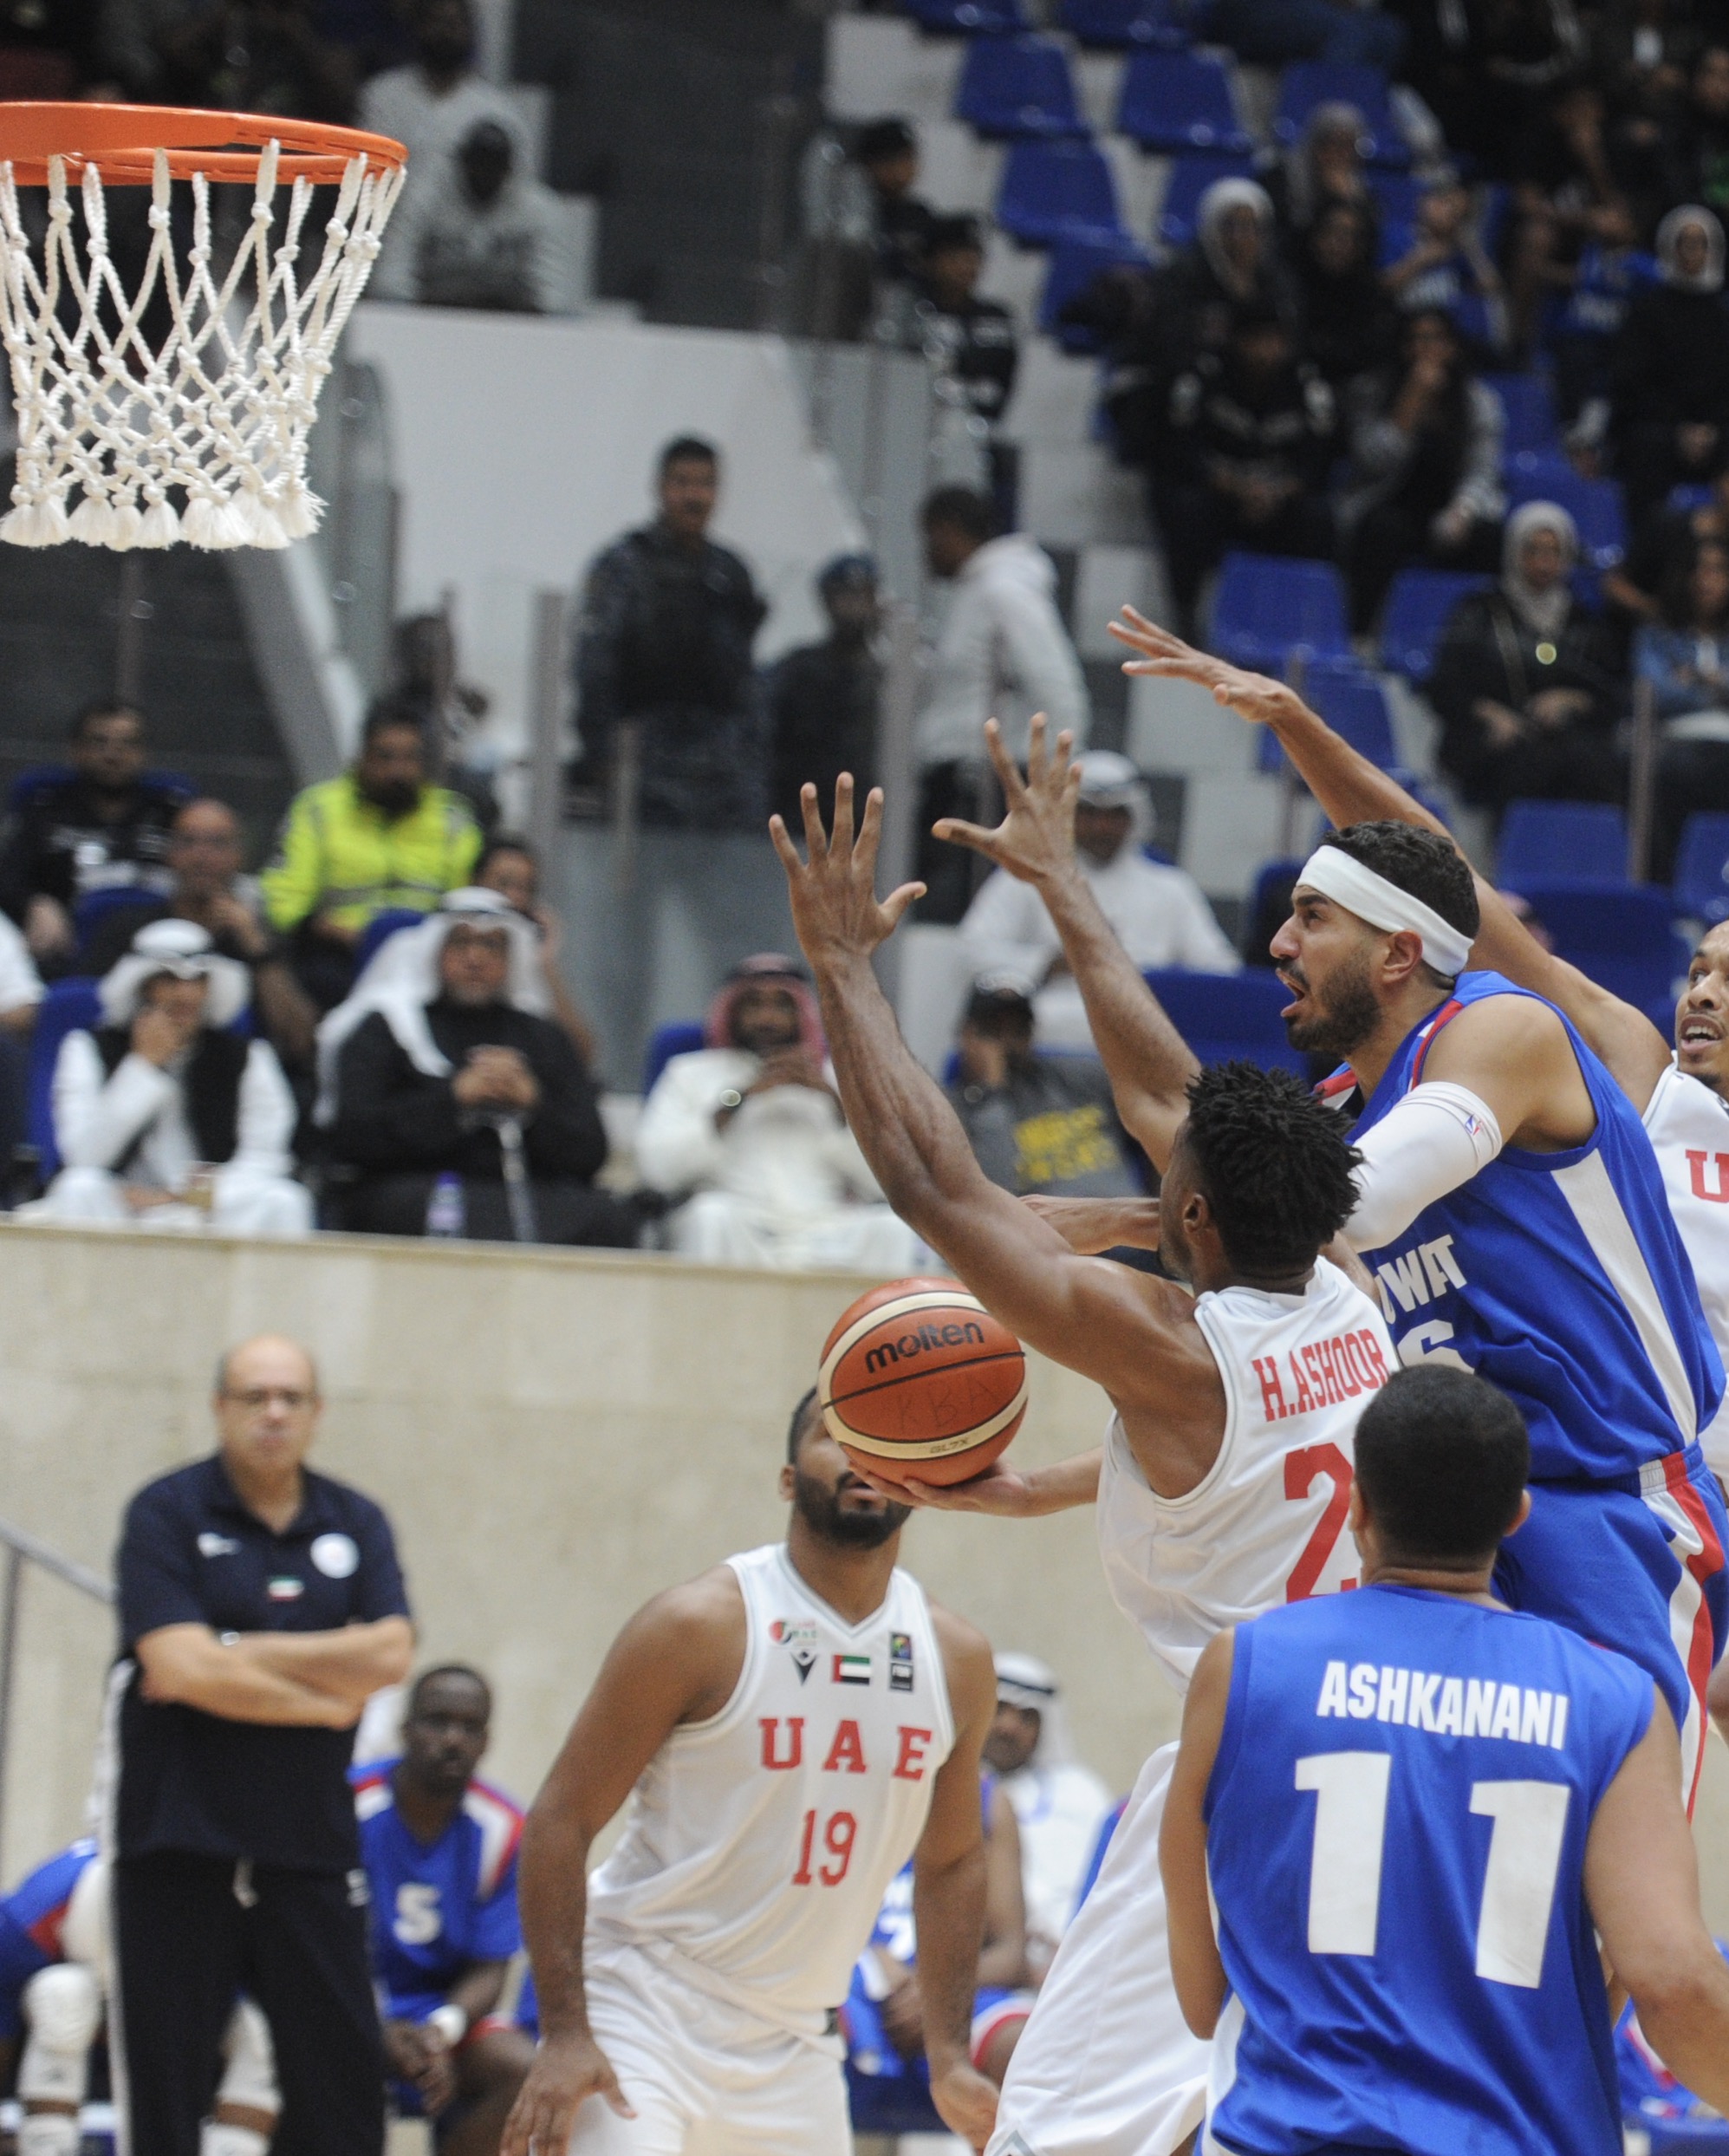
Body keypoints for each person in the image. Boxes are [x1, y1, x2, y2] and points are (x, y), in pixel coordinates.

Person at [768, 768, 1396, 2156]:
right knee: (1256, 2102)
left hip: (1258, 1760)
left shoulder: (1176, 1348)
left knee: (1054, 2126)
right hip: (1386, 1728)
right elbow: (1167, 1088)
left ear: (1191, 1210)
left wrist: (841, 969)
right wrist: (1063, 889)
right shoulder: (1350, 1287)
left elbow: (938, 1188)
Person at [1106, 613, 1728, 1808]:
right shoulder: (1637, 1082)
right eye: (1697, 967)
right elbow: (1447, 892)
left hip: (1646, 1495)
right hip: (1553, 1481)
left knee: (1619, 1876)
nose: (1701, 991)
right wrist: (1297, 724)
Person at [1160, 1362, 1729, 2156]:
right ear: (1517, 1516)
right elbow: (1669, 1978)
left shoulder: (1245, 1666)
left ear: (1356, 1506)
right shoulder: (1614, 1701)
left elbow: (1199, 1998)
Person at [497, 1388, 1003, 2156]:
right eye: (835, 1435)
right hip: (643, 2002)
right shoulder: (698, 1624)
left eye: (885, 1437)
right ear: (788, 1477)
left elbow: (954, 1858)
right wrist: (566, 2031)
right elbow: (560, 1819)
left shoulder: (956, 1657)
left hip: (796, 2037)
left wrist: (950, 2053)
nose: (862, 1453)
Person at [110, 1333, 413, 2156]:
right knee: (165, 2087)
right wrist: (321, 1697)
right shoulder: (165, 1512)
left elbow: (389, 1653)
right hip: (178, 1841)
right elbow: (173, 1664)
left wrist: (233, 1650)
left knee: (344, 2086)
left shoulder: (355, 1519)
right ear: (220, 1407)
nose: (273, 1413)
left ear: (316, 1413)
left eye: (290, 1397)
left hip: (308, 1845)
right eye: (254, 1396)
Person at [320, 889, 633, 1246]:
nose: (475, 958)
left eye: (492, 946)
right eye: (461, 943)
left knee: (610, 1219)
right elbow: (353, 1137)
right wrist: (455, 1097)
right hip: (416, 1188)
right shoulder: (386, 1027)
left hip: (526, 1194)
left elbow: (590, 1152)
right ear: (435, 950)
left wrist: (532, 1102)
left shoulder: (543, 1036)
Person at [634, 952, 920, 1273]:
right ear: (732, 1012)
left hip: (825, 1226)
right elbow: (656, 1172)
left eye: (781, 1006)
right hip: (739, 1225)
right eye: (753, 1005)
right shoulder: (690, 1074)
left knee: (891, 1229)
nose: (766, 1018)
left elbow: (888, 1184)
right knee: (710, 1216)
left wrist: (836, 1104)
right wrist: (739, 1098)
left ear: (802, 1014)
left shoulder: (840, 1079)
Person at [24, 920, 311, 1237]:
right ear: (143, 987)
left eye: (198, 981)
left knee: (284, 1200)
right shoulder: (86, 1049)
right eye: (170, 980)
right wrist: (143, 1066)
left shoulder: (247, 1056)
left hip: (214, 1205)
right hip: (124, 1205)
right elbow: (84, 1157)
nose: (185, 994)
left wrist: (183, 1198)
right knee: (79, 1188)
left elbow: (265, 1155)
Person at [354, 1665, 535, 2156]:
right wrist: (376, 2028)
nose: (452, 1739)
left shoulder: (505, 1826)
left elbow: (491, 1967)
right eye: (437, 1721)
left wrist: (441, 2031)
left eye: (470, 1726)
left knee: (525, 2071)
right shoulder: (347, 1806)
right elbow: (312, 1946)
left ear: (486, 1740)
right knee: (308, 2047)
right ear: (406, 1729)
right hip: (347, 2005)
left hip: (445, 2019)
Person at [0, 1840, 279, 2156]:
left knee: (262, 2028)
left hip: (193, 2022)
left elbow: (274, 1995)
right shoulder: (51, 1896)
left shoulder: (246, 1895)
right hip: (76, 2029)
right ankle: (47, 2146)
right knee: (62, 1994)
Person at [959, 751, 1237, 1052]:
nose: (1101, 826)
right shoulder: (1026, 877)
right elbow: (973, 950)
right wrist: (1055, 963)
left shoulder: (1171, 888)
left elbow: (1220, 971)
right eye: (1089, 814)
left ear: (1134, 817)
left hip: (1144, 1041)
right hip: (1043, 1038)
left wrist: (1147, 979)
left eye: (1114, 815)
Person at [572, 436, 768, 833]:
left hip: (719, 767)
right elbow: (594, 669)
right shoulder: (624, 567)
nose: (694, 497)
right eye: (682, 483)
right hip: (642, 758)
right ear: (660, 488)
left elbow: (745, 680)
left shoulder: (730, 573)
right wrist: (602, 755)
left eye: (706, 484)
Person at [913, 487, 1089, 925]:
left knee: (952, 910)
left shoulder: (1004, 590)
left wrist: (1053, 786)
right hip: (958, 778)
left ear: (949, 531)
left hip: (981, 786)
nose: (926, 554)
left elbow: (1058, 686)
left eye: (931, 539)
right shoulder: (977, 592)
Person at [261, 704, 482, 1013]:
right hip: (338, 955)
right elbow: (284, 897)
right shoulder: (318, 809)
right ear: (362, 757)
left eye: (409, 758)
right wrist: (341, 933)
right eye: (385, 757)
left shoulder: (453, 817)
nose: (397, 772)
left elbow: (466, 899)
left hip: (431, 959)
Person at [77, 797, 319, 1078]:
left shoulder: (258, 937)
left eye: (217, 843)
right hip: (136, 1069)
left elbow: (300, 1039)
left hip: (235, 1080)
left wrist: (254, 943)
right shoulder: (127, 929)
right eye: (188, 842)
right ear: (170, 854)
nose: (201, 856)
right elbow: (92, 1018)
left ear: (238, 856)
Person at [844, 1771, 1032, 2120]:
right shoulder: (834, 1777)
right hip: (853, 1988)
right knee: (798, 2022)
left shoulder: (987, 1798)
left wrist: (937, 1989)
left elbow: (1011, 1954)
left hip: (962, 1993)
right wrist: (866, 1958)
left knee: (1028, 2048)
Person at [1426, 499, 1625, 818]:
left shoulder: (1583, 622)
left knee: (1597, 766)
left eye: (1554, 552)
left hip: (1567, 740)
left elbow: (1612, 695)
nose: (1544, 563)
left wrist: (1571, 700)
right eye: (1533, 550)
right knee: (1525, 764)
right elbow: (1444, 685)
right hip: (1491, 737)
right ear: (1514, 551)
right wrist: (1490, 713)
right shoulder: (1479, 610)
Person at [1151, 306, 1338, 635]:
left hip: (1281, 499)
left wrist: (1278, 492)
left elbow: (1319, 461)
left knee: (1319, 518)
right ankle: (1184, 616)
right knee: (1185, 508)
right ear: (1238, 341)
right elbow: (1180, 448)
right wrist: (1233, 485)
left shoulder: (1309, 387)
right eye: (1257, 341)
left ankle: (1299, 623)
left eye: (1275, 341)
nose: (1266, 351)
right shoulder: (1204, 378)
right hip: (1220, 494)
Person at [1339, 307, 1506, 635]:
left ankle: (1478, 637)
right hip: (1387, 504)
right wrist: (1411, 400)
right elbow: (1372, 460)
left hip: (1449, 511)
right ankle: (1362, 635)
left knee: (1491, 537)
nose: (1425, 348)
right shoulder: (1372, 391)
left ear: (1452, 347)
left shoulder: (1478, 402)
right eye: (1416, 339)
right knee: (1382, 530)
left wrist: (1463, 510)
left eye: (1435, 339)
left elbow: (1483, 470)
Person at [0, 701, 190, 968]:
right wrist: (34, 903)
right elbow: (8, 877)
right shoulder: (45, 808)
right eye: (100, 742)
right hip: (62, 953)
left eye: (127, 744)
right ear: (76, 750)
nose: (114, 754)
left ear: (143, 753)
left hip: (163, 956)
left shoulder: (172, 812)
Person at [947, 975, 1142, 1210]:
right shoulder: (953, 1109)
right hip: (1049, 1240)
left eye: (1018, 1029)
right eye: (993, 1031)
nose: (1007, 1043)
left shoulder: (1073, 1076)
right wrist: (991, 1092)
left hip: (1131, 1228)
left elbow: (1157, 1098)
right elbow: (995, 1196)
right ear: (965, 1035)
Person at [984, 1654, 1115, 1981]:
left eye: (1026, 1717)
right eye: (999, 1709)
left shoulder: (1082, 1795)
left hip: (1081, 1968)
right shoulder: (949, 1791)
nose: (1009, 1726)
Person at [372, 120, 575, 315]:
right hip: (432, 318)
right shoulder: (424, 198)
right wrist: (437, 306)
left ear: (509, 169)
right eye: (478, 163)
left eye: (493, 165)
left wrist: (505, 311)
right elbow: (389, 282)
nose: (484, 172)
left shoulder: (539, 208)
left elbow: (556, 296)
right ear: (461, 162)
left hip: (511, 327)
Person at [1610, 204, 1729, 528]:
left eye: (1700, 243)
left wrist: (1709, 430)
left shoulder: (1722, 316)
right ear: (1670, 247)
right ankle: (1649, 548)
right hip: (1659, 430)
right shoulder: (1646, 312)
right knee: (1644, 447)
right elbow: (1631, 384)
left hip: (1715, 433)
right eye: (1685, 243)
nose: (1692, 252)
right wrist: (1680, 431)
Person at [360, 0, 524, 212]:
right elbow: (366, 176)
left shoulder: (497, 110)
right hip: (387, 223)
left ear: (469, 32)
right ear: (418, 28)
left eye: (453, 24)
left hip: (459, 235)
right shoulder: (382, 94)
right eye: (436, 23)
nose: (445, 33)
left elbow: (513, 191)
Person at [766, 556, 881, 833]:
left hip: (867, 818)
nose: (854, 607)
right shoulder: (798, 670)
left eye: (862, 595)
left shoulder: (888, 678)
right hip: (803, 815)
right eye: (844, 596)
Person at [1639, 537, 1729, 876]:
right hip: (1679, 743)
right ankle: (1672, 881)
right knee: (1674, 772)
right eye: (1700, 569)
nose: (1708, 579)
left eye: (1719, 570)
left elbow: (1678, 688)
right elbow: (1654, 693)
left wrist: (1698, 681)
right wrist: (1716, 690)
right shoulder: (1657, 634)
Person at [471, 834, 598, 1065]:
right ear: (474, 883)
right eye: (504, 884)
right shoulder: (442, 947)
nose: (515, 898)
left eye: (526, 888)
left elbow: (582, 1056)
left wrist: (545, 963)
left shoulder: (532, 959)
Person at [1381, 168, 1508, 352]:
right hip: (1403, 325)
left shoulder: (1457, 250)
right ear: (1426, 203)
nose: (1450, 214)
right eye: (1445, 203)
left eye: (1459, 214)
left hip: (1447, 331)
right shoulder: (1397, 235)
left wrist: (1469, 245)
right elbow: (1384, 286)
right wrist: (1421, 260)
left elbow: (1490, 285)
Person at [1289, 199, 1396, 397]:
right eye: (1331, 232)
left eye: (1349, 236)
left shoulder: (1371, 296)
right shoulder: (1289, 287)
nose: (1338, 244)